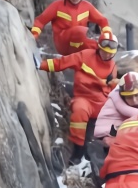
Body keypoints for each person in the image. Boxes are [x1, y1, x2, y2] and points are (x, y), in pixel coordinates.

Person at [36, 32, 120, 165]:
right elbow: (62, 63)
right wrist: (41, 65)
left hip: (101, 100)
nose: (107, 55)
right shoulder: (85, 56)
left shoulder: (113, 66)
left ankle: (102, 150)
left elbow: (110, 89)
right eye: (105, 51)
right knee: (80, 113)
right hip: (84, 97)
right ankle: (78, 150)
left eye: (111, 53)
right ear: (99, 48)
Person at [30, 0, 113, 56]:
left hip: (79, 42)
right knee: (80, 31)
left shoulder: (87, 7)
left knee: (98, 47)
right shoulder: (57, 6)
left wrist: (107, 35)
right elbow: (40, 21)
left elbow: (103, 20)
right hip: (63, 43)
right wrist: (34, 35)